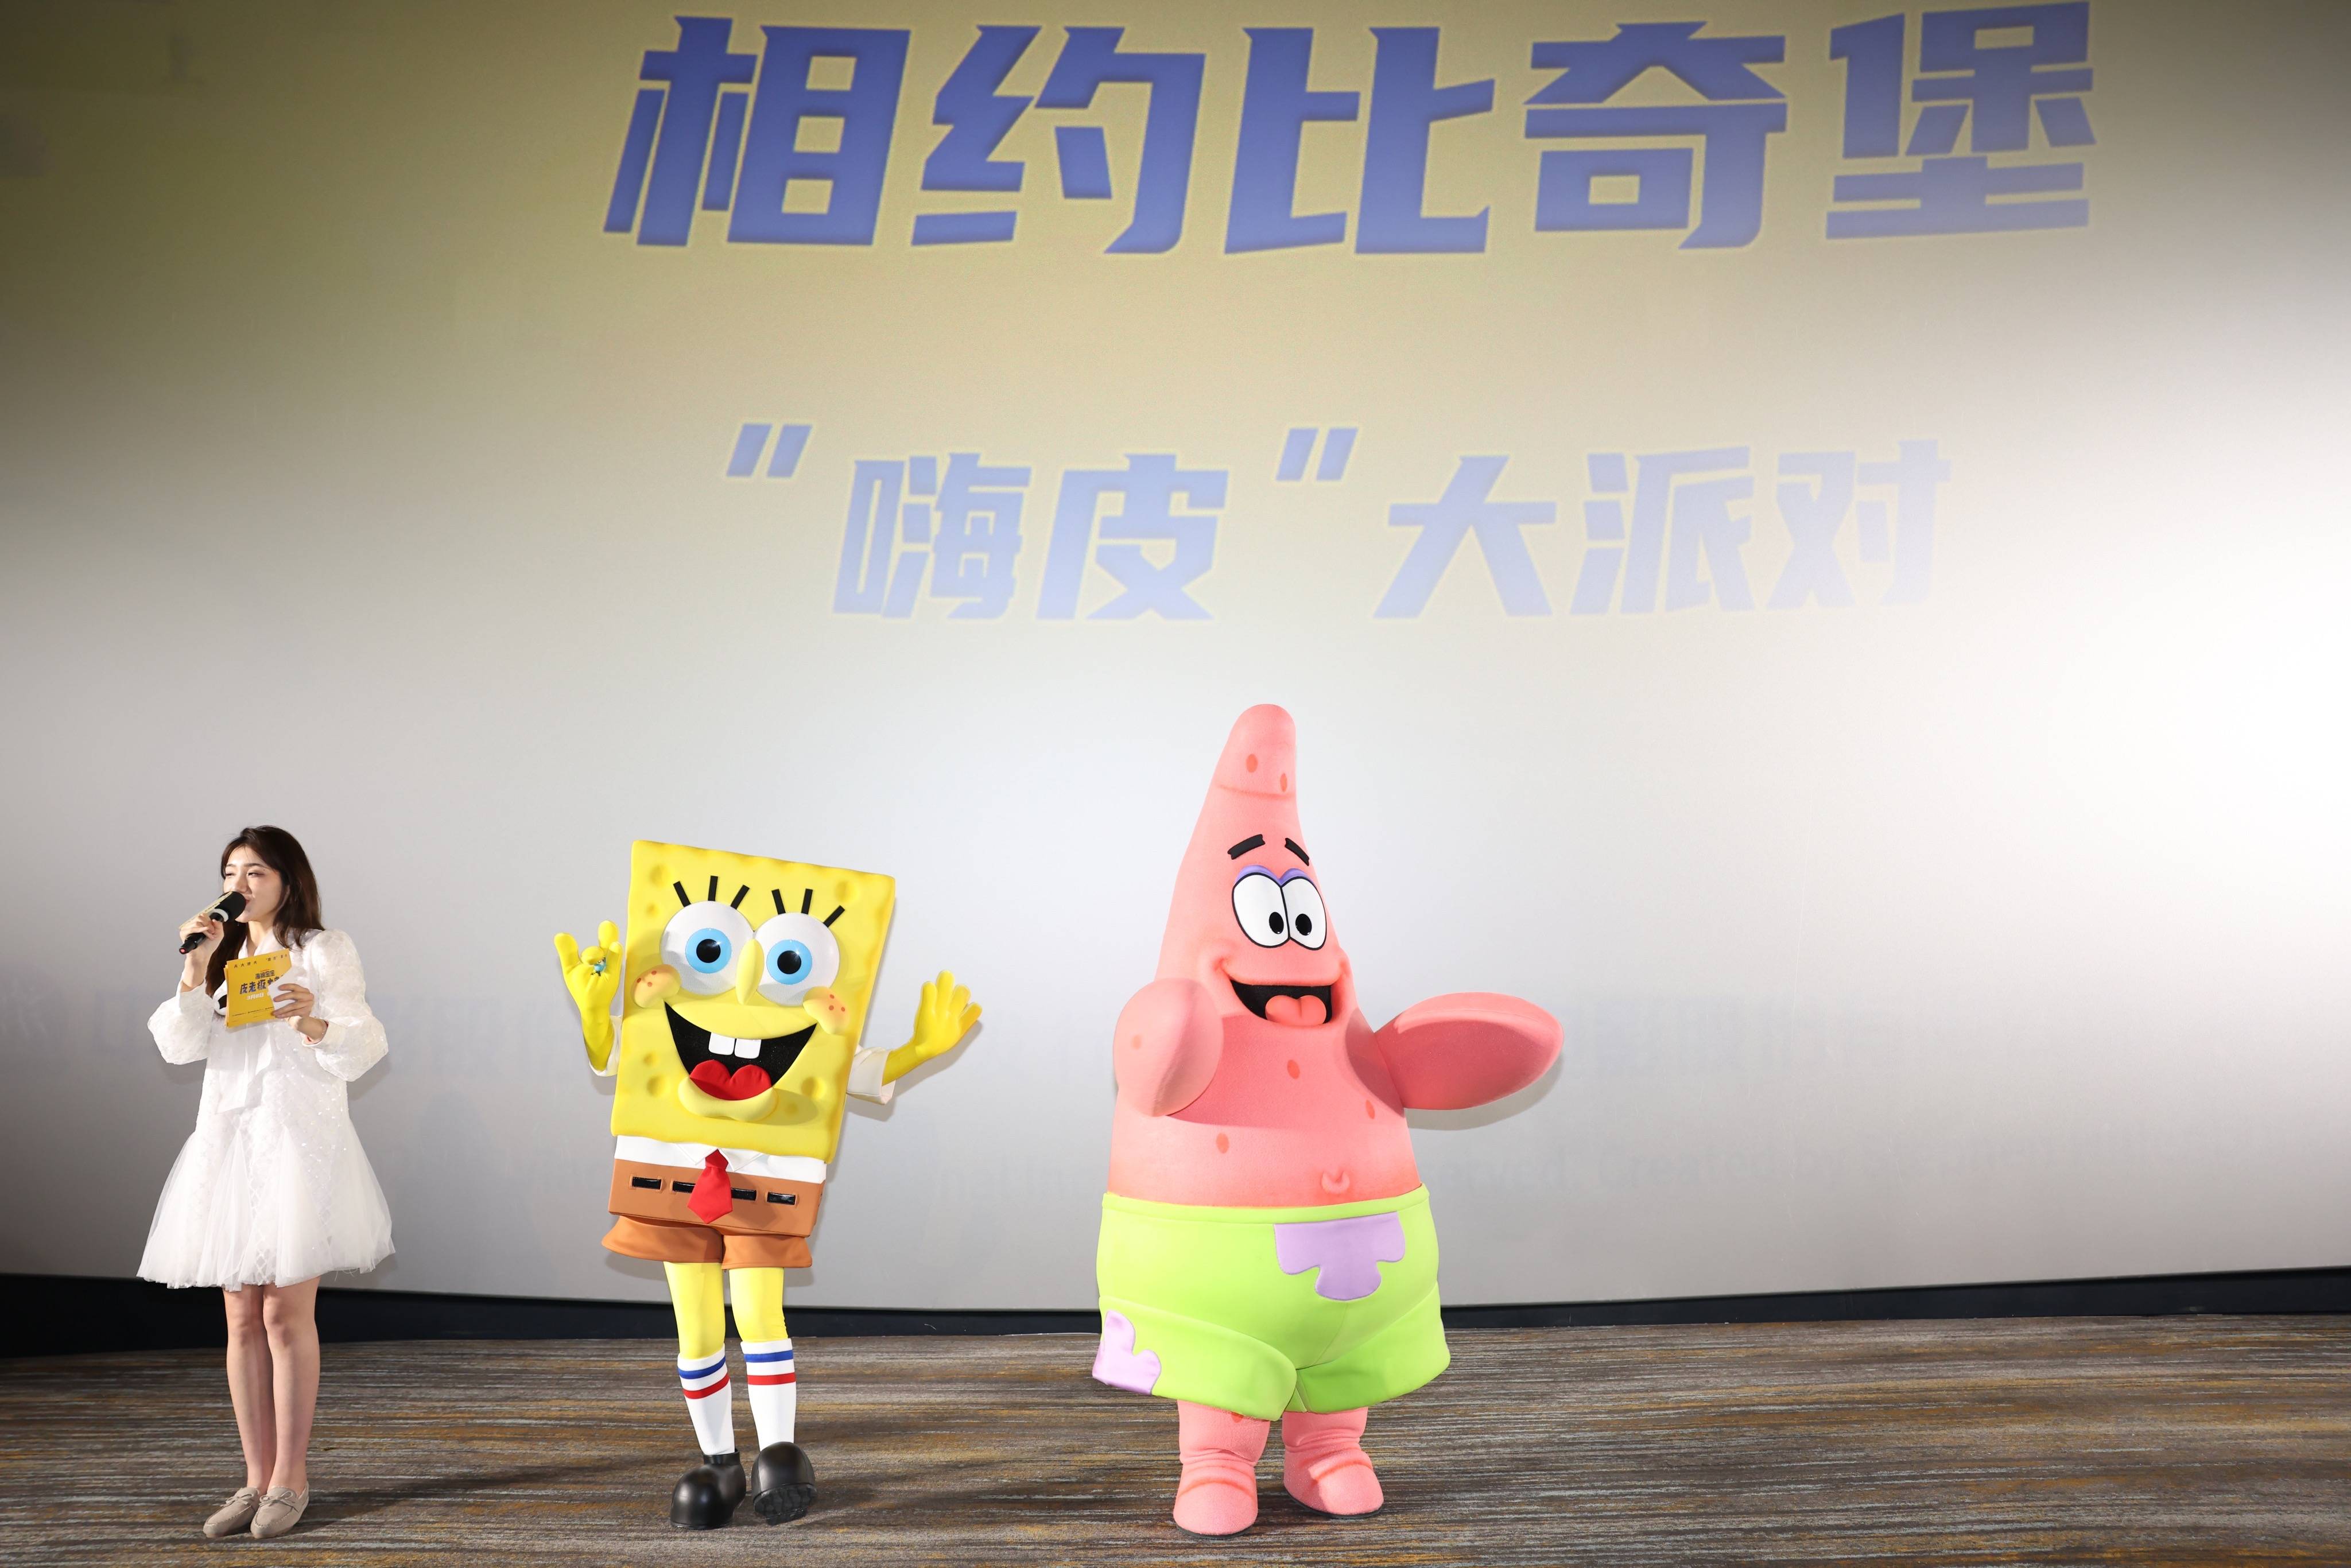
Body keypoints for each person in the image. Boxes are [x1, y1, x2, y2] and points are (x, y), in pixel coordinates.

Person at [141, 826, 393, 1540]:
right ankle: (254, 1478)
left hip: (295, 1140)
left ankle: (291, 1476)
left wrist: (310, 1017)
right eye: (231, 872)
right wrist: (196, 969)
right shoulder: (219, 951)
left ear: (287, 878)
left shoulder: (322, 948)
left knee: (284, 1314)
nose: (240, 884)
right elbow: (179, 1045)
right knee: (241, 1318)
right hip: (230, 1142)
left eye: (255, 871)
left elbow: (366, 1043)